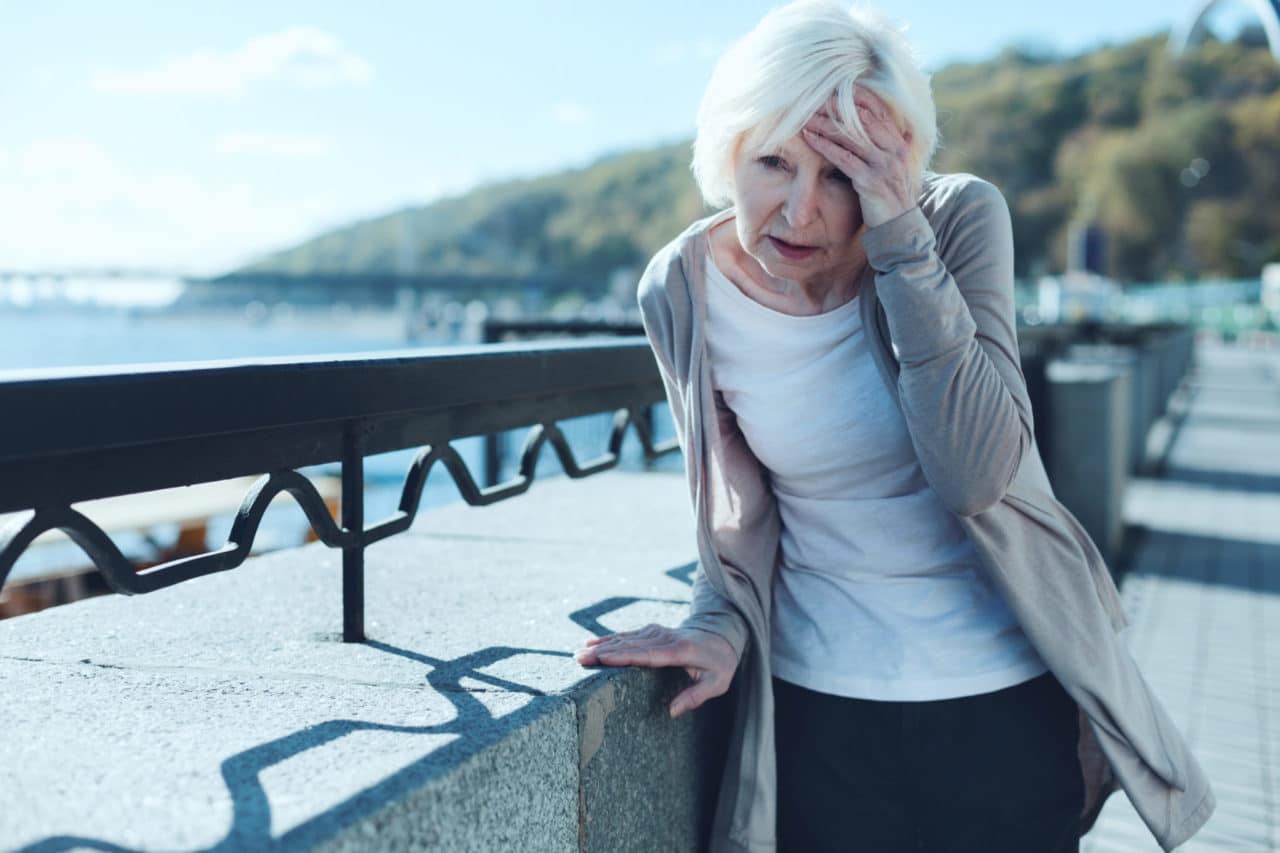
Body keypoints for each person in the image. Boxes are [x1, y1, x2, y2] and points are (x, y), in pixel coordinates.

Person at [574, 2, 1215, 851]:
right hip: (820, 716)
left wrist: (902, 237)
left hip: (1002, 706)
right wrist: (716, 622)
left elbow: (976, 472)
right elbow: (734, 505)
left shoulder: (957, 222)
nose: (800, 211)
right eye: (772, 161)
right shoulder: (682, 288)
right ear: (726, 150)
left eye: (841, 174)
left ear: (897, 163)